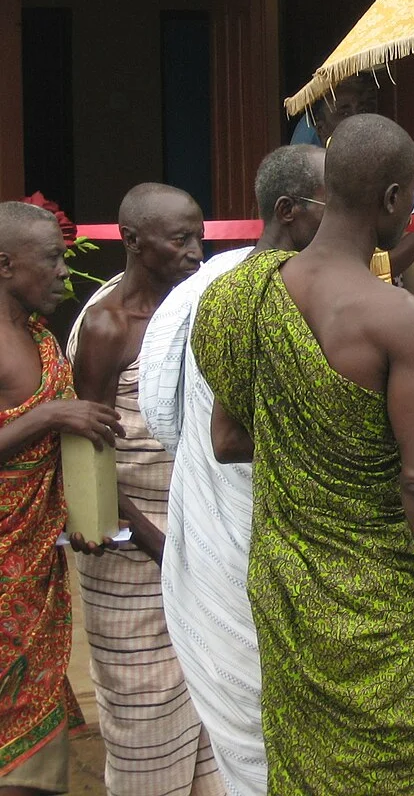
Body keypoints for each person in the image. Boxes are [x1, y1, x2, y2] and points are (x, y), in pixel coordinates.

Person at [190, 114, 414, 795]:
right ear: (390, 200)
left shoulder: (238, 297)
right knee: (386, 765)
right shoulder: (395, 316)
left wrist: (313, 440)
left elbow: (228, 439)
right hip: (375, 594)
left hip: (286, 580)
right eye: (410, 201)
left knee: (303, 764)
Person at [137, 145, 327, 796]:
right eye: (340, 206)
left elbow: (161, 413)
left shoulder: (316, 287)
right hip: (224, 541)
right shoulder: (228, 291)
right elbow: (197, 430)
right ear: (289, 212)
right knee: (251, 729)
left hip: (302, 547)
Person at [67, 184, 225, 796]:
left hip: (195, 547)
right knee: (146, 726)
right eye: (179, 239)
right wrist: (162, 544)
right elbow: (88, 463)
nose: (195, 251)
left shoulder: (196, 307)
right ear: (132, 240)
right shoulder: (107, 327)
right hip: (134, 557)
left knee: (209, 718)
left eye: (199, 237)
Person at [0, 201, 123, 796]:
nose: (64, 273)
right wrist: (47, 415)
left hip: (35, 576)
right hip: (4, 582)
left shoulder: (38, 335)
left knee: (35, 743)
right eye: (49, 259)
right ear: (4, 265)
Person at [289, 71, 414, 275]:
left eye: (363, 109)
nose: (357, 119)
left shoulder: (378, 171)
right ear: (321, 128)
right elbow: (373, 268)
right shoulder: (317, 190)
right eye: (344, 112)